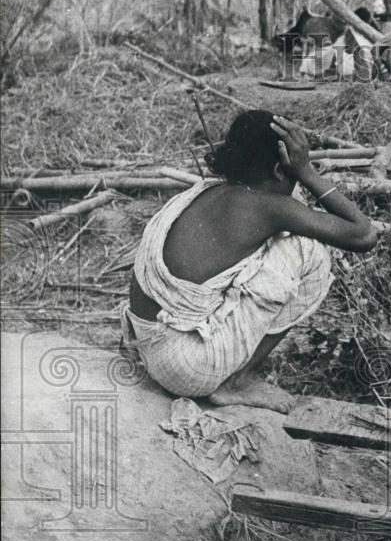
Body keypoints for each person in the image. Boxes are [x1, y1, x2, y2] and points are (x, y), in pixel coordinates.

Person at [122, 111, 377, 413]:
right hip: (186, 369)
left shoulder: (204, 193)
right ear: (280, 171)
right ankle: (236, 382)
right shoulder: (269, 207)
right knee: (309, 251)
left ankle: (228, 370)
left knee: (269, 249)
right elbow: (364, 235)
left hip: (146, 347)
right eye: (293, 176)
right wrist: (307, 171)